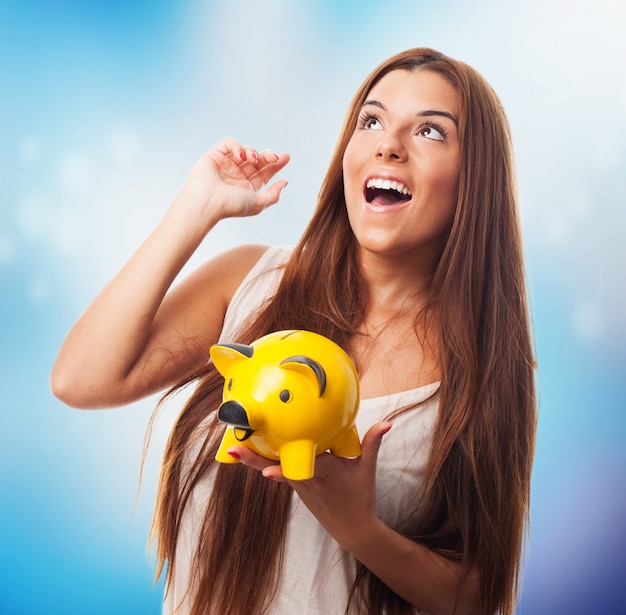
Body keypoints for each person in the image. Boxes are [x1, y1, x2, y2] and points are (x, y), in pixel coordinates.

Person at [51, 47, 537, 615]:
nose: (388, 144)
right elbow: (80, 380)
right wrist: (196, 208)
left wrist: (358, 527)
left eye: (430, 131)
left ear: (473, 179)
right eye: (371, 121)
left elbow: (478, 596)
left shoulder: (481, 368)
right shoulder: (251, 283)